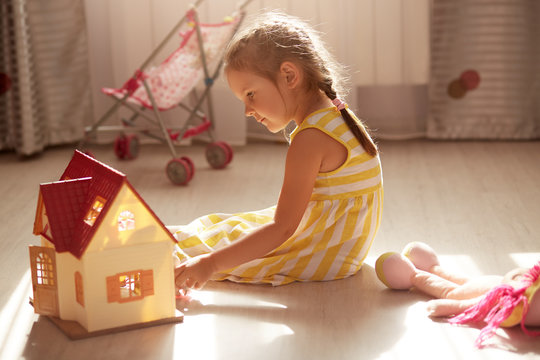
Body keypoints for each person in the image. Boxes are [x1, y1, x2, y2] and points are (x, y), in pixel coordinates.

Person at [171, 11, 383, 290]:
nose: (247, 111)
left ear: (289, 75)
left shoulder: (310, 139)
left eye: (250, 95)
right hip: (342, 250)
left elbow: (282, 228)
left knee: (189, 249)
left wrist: (210, 265)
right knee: (223, 228)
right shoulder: (337, 115)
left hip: (320, 255)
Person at [375, 242, 540, 347]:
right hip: (495, 283)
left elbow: (468, 305)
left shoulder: (512, 303)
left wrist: (447, 307)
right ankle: (432, 268)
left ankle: (413, 276)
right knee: (465, 282)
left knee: (452, 292)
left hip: (497, 287)